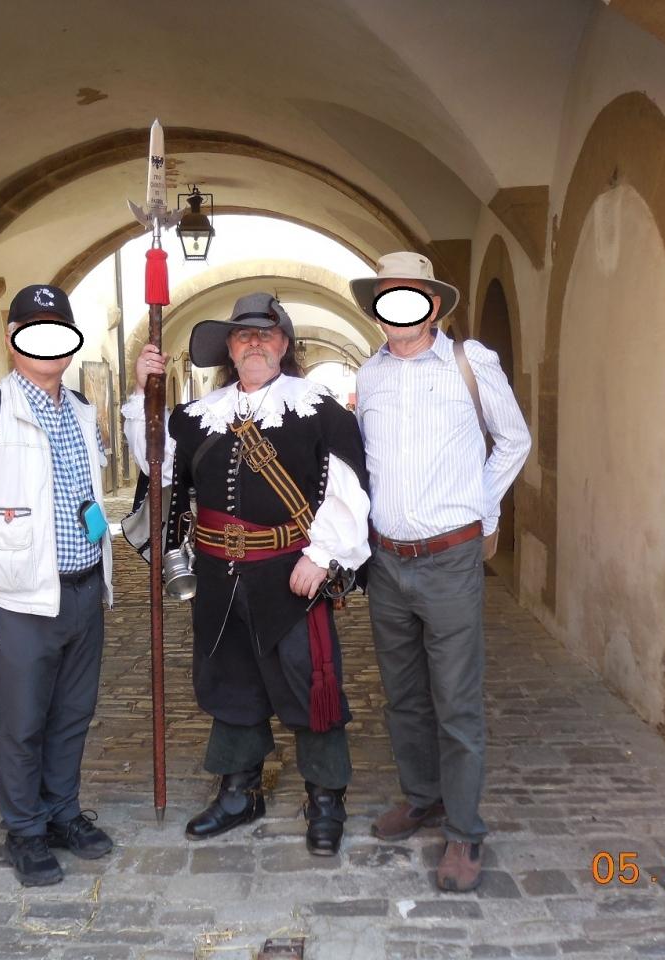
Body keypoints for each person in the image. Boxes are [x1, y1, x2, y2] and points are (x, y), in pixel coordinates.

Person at [123, 293, 370, 856]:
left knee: (310, 684)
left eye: (266, 334)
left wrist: (321, 556)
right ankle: (239, 792)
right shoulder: (198, 416)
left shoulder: (317, 409)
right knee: (231, 681)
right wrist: (143, 393)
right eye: (243, 335)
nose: (254, 343)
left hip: (291, 575)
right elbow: (156, 465)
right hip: (218, 578)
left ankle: (326, 799)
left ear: (284, 345)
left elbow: (348, 485)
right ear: (229, 350)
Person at [352, 252, 531, 891]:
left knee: (455, 700)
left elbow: (514, 440)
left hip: (450, 559)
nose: (398, 307)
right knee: (403, 695)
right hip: (387, 561)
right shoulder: (368, 374)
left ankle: (463, 829)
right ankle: (422, 796)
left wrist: (479, 508)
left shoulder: (469, 362)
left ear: (432, 304)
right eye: (388, 296)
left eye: (410, 295)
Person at [0, 283, 114, 887]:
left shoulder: (82, 409)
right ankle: (25, 830)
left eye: (57, 330)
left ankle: (62, 813)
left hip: (82, 589)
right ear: (12, 338)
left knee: (73, 715)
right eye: (33, 330)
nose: (47, 343)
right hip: (17, 596)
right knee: (24, 721)